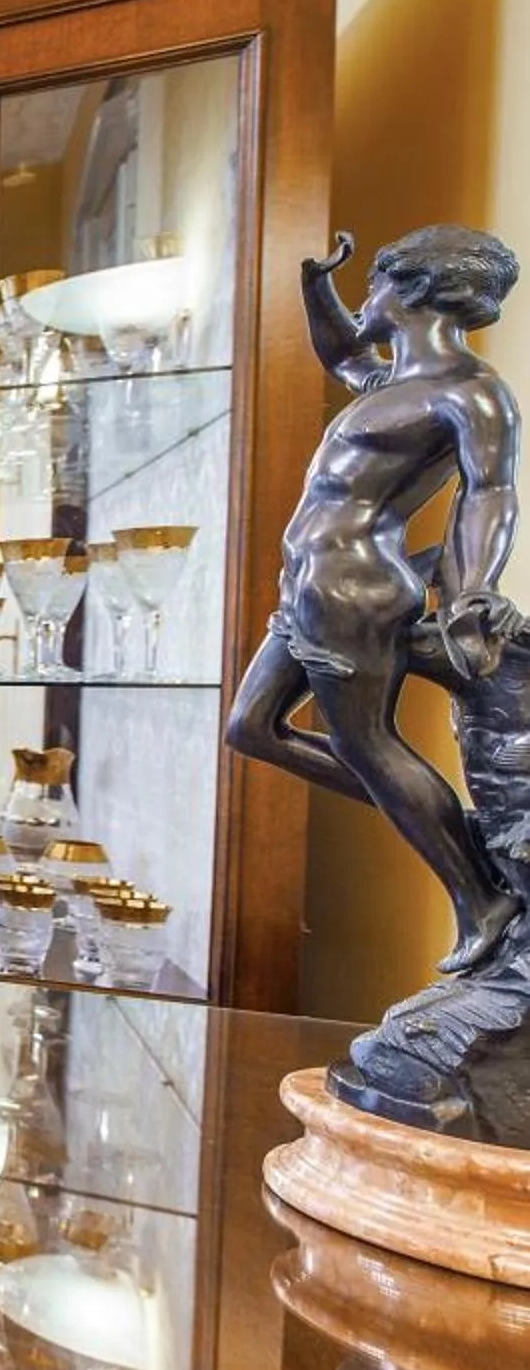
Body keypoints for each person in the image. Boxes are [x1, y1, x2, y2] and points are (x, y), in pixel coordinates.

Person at [227, 224, 524, 973]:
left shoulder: (470, 391)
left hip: (353, 589)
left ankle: (479, 898)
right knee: (251, 729)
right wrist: (314, 286)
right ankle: (450, 830)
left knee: (369, 744)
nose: (367, 299)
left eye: (374, 284)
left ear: (413, 289)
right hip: (308, 585)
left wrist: (473, 591)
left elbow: (489, 494)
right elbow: (343, 352)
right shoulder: (391, 383)